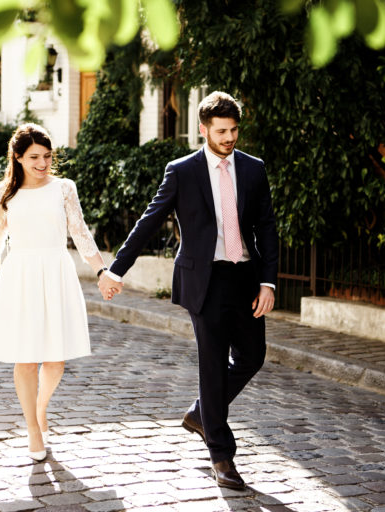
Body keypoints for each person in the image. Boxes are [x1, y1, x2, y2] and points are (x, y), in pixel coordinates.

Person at [98, 91, 278, 489]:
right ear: (203, 129)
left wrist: (268, 281)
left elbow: (266, 226)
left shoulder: (253, 169)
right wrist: (115, 269)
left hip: (245, 277)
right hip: (205, 281)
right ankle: (222, 455)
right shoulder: (182, 171)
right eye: (221, 131)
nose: (229, 137)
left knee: (252, 356)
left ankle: (201, 413)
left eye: (233, 130)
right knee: (212, 365)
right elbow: (149, 221)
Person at [0, 123, 109, 462]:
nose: (43, 164)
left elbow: (81, 234)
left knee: (55, 361)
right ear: (17, 158)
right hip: (20, 276)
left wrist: (101, 271)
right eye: (34, 158)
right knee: (26, 359)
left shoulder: (64, 188)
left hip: (56, 272)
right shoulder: (4, 194)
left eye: (47, 156)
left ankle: (40, 409)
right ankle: (32, 428)